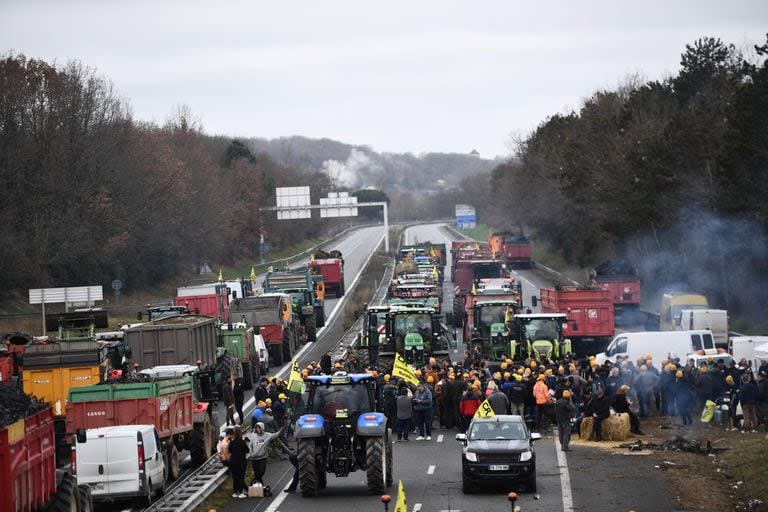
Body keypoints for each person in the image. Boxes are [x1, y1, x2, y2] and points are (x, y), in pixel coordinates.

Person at [246, 421, 284, 487]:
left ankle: (254, 483)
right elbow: (250, 446)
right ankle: (260, 487)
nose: (258, 429)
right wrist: (251, 453)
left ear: (262, 428)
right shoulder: (253, 436)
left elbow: (275, 435)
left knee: (261, 472)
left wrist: (280, 431)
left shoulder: (267, 435)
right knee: (257, 473)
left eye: (259, 428)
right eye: (257, 428)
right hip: (254, 458)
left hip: (262, 458)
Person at [228, 427, 249, 498]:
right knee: (241, 477)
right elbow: (247, 450)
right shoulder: (242, 442)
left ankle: (235, 492)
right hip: (241, 462)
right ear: (240, 434)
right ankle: (240, 492)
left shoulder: (232, 442)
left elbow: (230, 451)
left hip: (233, 462)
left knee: (235, 477)